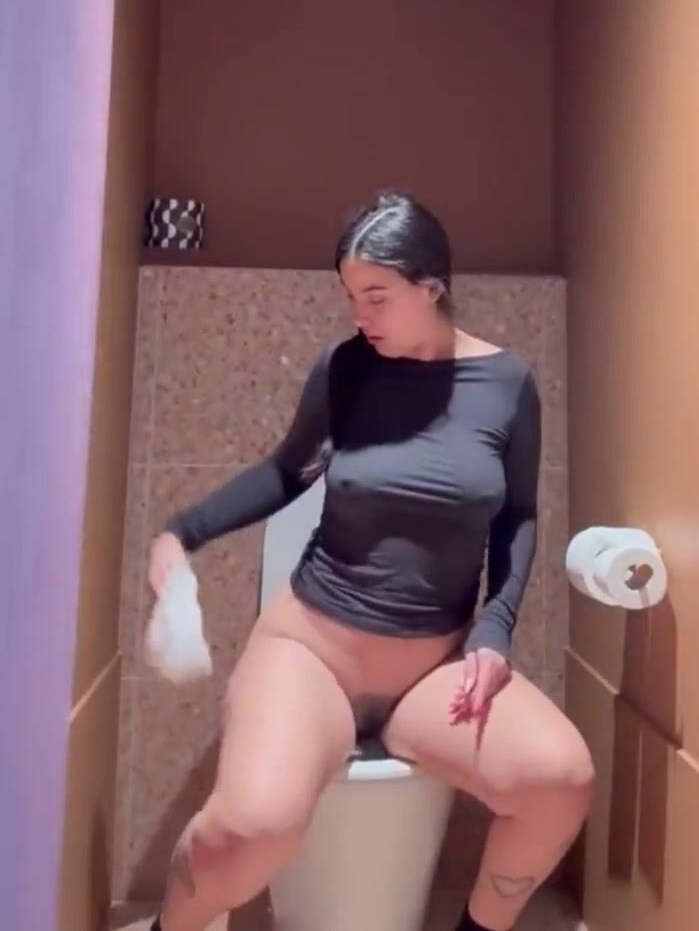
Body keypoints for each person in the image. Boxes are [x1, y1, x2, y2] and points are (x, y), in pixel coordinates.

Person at [129, 190, 594, 931]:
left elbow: (517, 516)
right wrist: (181, 533)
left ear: (431, 286)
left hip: (430, 673)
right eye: (350, 296)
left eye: (376, 297)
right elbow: (288, 472)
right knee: (251, 829)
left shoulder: (506, 387)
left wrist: (495, 630)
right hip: (314, 652)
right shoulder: (347, 369)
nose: (360, 316)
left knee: (560, 782)